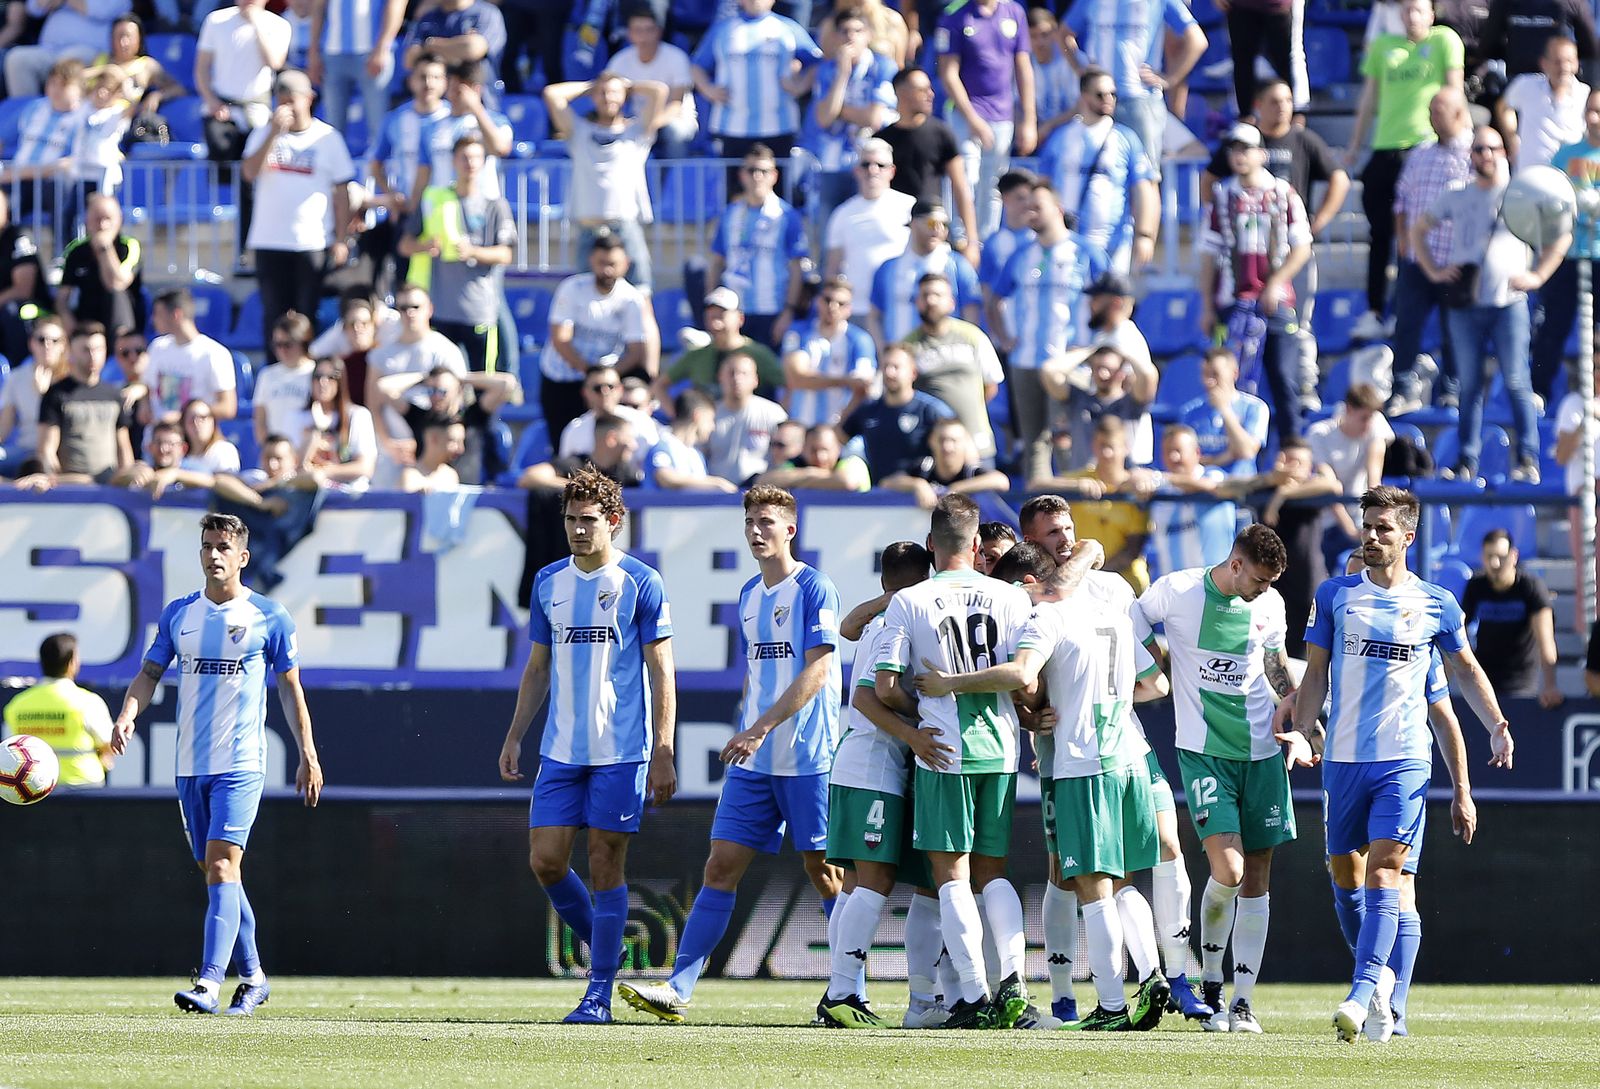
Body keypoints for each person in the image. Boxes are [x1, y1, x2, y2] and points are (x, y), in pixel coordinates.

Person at [911, 511, 1164, 1032]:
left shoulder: (1047, 617)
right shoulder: (1109, 611)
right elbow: (1156, 685)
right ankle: (1155, 973)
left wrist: (950, 683)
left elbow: (1023, 673)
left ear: (1030, 583)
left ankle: (1113, 1006)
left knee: (1089, 886)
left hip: (1081, 763)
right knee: (1120, 883)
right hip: (1130, 757)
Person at [1287, 486, 1513, 1042]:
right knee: (1347, 876)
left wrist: (1498, 725)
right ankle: (1386, 990)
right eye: (1367, 525)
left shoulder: (1437, 602)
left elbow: (1463, 671)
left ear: (1408, 537)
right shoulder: (1336, 595)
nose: (1371, 535)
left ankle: (1366, 994)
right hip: (1342, 759)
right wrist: (1300, 731)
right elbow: (1314, 676)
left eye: (1384, 528)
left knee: (1389, 871)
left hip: (1404, 761)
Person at [619, 485, 842, 1024]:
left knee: (824, 871)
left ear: (791, 529)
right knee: (720, 865)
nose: (757, 530)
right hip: (756, 759)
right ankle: (677, 988)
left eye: (767, 521)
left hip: (808, 754)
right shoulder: (747, 595)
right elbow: (761, 674)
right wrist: (753, 729)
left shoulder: (815, 589)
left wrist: (760, 727)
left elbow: (818, 669)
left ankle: (847, 990)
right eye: (750, 522)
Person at [109, 512, 322, 1016]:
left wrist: (307, 754)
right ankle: (254, 977)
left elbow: (291, 689)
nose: (213, 555)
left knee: (224, 865)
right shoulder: (180, 614)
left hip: (241, 762)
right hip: (188, 766)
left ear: (243, 557)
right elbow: (148, 673)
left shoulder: (270, 616)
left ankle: (208, 982)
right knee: (216, 872)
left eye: (223, 547)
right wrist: (127, 714)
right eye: (207, 546)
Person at [498, 464, 676, 1022]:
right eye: (571, 519)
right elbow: (537, 668)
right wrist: (515, 734)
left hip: (621, 751)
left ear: (614, 522)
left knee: (605, 866)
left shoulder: (641, 583)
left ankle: (598, 992)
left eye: (589, 520)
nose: (578, 529)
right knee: (546, 862)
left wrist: (665, 748)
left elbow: (662, 672)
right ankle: (609, 943)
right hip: (561, 750)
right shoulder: (549, 581)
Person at [863, 495, 1036, 1029]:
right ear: (979, 543)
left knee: (950, 876)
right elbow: (1027, 681)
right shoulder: (1010, 598)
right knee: (993, 873)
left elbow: (887, 687)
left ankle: (972, 998)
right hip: (1002, 748)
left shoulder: (911, 600)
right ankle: (1014, 985)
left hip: (943, 749)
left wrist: (917, 727)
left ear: (933, 545)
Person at [1135, 525, 1295, 1034]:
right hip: (1204, 754)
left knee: (1259, 874)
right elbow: (1131, 616)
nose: (1265, 589)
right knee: (1228, 871)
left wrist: (1299, 719)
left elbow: (1273, 665)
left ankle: (1243, 1002)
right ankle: (1209, 983)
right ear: (1236, 564)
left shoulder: (1270, 605)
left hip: (1263, 753)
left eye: (1272, 582)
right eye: (1260, 579)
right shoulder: (1177, 591)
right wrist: (1155, 665)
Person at [814, 540, 935, 1029]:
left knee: (856, 886)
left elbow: (845, 629)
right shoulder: (893, 627)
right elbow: (868, 698)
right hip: (873, 763)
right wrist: (920, 718)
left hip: (858, 762)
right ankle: (843, 993)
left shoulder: (880, 621)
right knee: (876, 882)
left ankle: (837, 992)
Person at [1412, 125, 1568, 484]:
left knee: (1516, 381)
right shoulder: (1457, 194)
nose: (1485, 155)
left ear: (1505, 152)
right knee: (1469, 385)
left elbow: (1561, 234)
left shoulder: (1522, 195)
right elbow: (1418, 230)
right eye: (1479, 149)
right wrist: (1435, 270)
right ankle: (1467, 461)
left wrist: (1538, 276)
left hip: (1508, 303)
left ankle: (1527, 458)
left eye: (1492, 148)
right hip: (1466, 304)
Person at [1344, 0, 1465, 340]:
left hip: (1423, 149)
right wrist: (1355, 144)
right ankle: (1374, 309)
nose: (1412, 16)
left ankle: (1411, 310)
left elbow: (1454, 91)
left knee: (1419, 235)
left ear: (1431, 13)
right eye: (1406, 10)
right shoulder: (1384, 47)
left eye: (1418, 9)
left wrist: (1462, 136)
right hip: (1385, 149)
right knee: (1380, 234)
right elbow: (1369, 99)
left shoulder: (1444, 41)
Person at [1201, 122, 1314, 441]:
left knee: (1282, 375)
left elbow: (1302, 247)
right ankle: (1228, 445)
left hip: (1276, 303)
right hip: (1231, 302)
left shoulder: (1283, 192)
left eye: (1245, 148)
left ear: (1261, 154)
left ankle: (1292, 448)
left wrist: (1276, 282)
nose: (1239, 155)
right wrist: (1207, 306)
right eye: (1233, 149)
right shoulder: (1222, 197)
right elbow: (1209, 256)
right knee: (1228, 377)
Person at [993, 179, 1110, 482]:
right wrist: (1005, 339)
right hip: (1025, 360)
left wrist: (1092, 346)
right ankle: (1036, 508)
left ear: (1057, 209)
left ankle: (1072, 504)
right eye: (1027, 207)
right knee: (1033, 441)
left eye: (1037, 207)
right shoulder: (1020, 255)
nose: (1031, 213)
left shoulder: (1085, 252)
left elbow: (1113, 299)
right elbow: (994, 298)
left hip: (1068, 363)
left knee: (1066, 436)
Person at [242, 69, 354, 348]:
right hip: (269, 240)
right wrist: (272, 135)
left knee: (306, 317)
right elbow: (249, 172)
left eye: (292, 99)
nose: (287, 106)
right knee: (273, 316)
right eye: (281, 99)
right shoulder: (262, 134)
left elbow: (342, 193)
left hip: (311, 241)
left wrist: (341, 239)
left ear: (309, 99)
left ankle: (308, 377)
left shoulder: (328, 138)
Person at [1387, 87, 1473, 416]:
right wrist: (1403, 239)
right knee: (1406, 325)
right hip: (1417, 260)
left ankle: (1451, 388)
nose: (1433, 118)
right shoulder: (1420, 153)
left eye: (1440, 111)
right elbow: (1401, 201)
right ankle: (1402, 387)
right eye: (1431, 111)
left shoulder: (1474, 154)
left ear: (1459, 113)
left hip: (1456, 261)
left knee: (1455, 328)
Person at [400, 134, 516, 373]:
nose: (470, 163)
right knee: (442, 381)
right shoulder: (434, 200)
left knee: (481, 379)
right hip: (441, 309)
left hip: (479, 311)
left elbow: (506, 254)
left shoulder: (496, 206)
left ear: (484, 162)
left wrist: (472, 251)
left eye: (475, 157)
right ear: (453, 161)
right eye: (464, 157)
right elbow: (404, 245)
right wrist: (425, 246)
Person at [544, 72, 668, 293]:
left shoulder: (637, 132)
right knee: (583, 294)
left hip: (625, 226)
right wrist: (592, 85)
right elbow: (552, 93)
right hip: (588, 228)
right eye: (602, 93)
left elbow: (659, 91)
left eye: (613, 93)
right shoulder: (578, 131)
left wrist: (626, 86)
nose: (607, 97)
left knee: (641, 290)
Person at [1037, 68, 1159, 275]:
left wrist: (1145, 236)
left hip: (1112, 242)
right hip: (1067, 240)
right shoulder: (1060, 139)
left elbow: (1144, 190)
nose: (1108, 99)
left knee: (1112, 303)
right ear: (1084, 96)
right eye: (1100, 94)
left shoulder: (1126, 139)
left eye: (1113, 94)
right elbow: (1043, 187)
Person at [195, 0, 293, 259]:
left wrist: (256, 23)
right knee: (224, 158)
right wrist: (211, 101)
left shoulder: (278, 24)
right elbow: (202, 68)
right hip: (222, 110)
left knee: (251, 179)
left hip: (256, 112)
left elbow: (275, 61)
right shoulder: (216, 21)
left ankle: (247, 247)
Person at [1062, 0, 1207, 172]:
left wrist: (1171, 79)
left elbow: (1197, 40)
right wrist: (1081, 70)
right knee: (1098, 173)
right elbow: (1064, 34)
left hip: (1140, 100)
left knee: (1144, 173)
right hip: (1098, 99)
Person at [935, 0, 1035, 241]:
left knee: (994, 185)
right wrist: (973, 119)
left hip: (1002, 116)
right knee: (965, 177)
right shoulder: (954, 14)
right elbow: (948, 72)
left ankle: (986, 242)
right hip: (963, 114)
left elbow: (1023, 68)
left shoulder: (1014, 12)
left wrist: (1029, 120)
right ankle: (960, 240)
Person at [539, 234, 653, 443]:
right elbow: (560, 339)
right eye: (602, 263)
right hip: (563, 377)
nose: (607, 270)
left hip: (604, 381)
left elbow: (637, 350)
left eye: (613, 264)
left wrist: (605, 379)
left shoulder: (631, 299)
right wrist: (588, 371)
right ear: (591, 260)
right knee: (564, 441)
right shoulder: (572, 288)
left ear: (625, 264)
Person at [690, 0, 822, 166]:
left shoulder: (787, 28)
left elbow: (817, 62)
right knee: (735, 188)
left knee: (777, 186)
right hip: (731, 125)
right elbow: (696, 66)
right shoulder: (723, 29)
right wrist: (708, 89)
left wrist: (801, 85)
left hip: (779, 124)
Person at [1031, 417, 1154, 591]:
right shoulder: (1082, 478)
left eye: (1111, 446)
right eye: (1101, 445)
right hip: (1083, 583)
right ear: (1093, 446)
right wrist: (1075, 485)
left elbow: (1132, 550)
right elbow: (1035, 485)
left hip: (1126, 585)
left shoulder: (1136, 487)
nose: (1106, 453)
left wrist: (1092, 574)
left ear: (1126, 448)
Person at [797, 5, 897, 220]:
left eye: (857, 30)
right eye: (844, 31)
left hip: (871, 164)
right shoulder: (828, 70)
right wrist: (842, 75)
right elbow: (823, 118)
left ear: (868, 35)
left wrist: (838, 111)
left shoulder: (883, 66)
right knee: (829, 230)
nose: (850, 36)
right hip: (832, 163)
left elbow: (874, 118)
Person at [708, 143, 811, 349]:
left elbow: (796, 268)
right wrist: (711, 307)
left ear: (774, 176)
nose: (757, 176)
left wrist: (788, 311)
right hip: (734, 310)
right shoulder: (729, 214)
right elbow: (717, 261)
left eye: (763, 171)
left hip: (772, 310)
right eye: (751, 170)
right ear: (741, 175)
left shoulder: (787, 216)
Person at [1534, 87, 1600, 402]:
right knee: (1554, 326)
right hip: (1568, 255)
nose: (1596, 118)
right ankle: (1539, 391)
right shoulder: (1566, 155)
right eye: (1592, 110)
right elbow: (1550, 201)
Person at [873, 68, 980, 260]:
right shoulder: (883, 140)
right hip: (894, 227)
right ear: (901, 93)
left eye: (929, 89)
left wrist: (972, 240)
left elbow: (960, 187)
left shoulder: (941, 133)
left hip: (931, 225)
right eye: (921, 90)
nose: (930, 95)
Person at [366, 283, 466, 484]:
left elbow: (455, 402)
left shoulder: (447, 351)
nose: (409, 313)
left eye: (415, 307)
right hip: (391, 449)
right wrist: (389, 444)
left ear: (429, 309)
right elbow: (373, 403)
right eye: (403, 308)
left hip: (433, 447)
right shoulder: (381, 354)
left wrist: (427, 443)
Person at [901, 273, 1004, 468]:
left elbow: (991, 385)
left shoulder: (973, 336)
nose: (931, 301)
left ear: (951, 302)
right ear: (917, 302)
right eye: (925, 295)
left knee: (980, 496)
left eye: (937, 295)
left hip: (976, 439)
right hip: (934, 448)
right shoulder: (908, 345)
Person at [367, 54, 451, 292]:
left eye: (436, 77)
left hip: (445, 210)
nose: (429, 83)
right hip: (409, 211)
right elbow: (375, 164)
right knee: (405, 280)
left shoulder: (453, 118)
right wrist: (392, 196)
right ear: (411, 81)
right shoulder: (396, 119)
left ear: (445, 82)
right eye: (423, 77)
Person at [1462, 529, 1564, 706]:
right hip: (1483, 684)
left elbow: (1545, 640)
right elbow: (1458, 633)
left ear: (1513, 556)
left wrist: (1550, 686)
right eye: (1489, 556)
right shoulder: (1476, 587)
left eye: (1501, 556)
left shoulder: (1530, 587)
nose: (1495, 563)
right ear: (1482, 557)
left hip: (1521, 684)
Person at [2, 632, 114, 789]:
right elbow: (109, 744)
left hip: (34, 788)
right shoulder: (87, 702)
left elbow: (10, 748)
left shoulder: (17, 704)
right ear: (71, 663)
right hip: (83, 788)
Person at [822, 137, 917, 320]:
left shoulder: (909, 207)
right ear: (857, 171)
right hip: (858, 310)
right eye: (866, 164)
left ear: (892, 171)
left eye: (880, 165)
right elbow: (832, 269)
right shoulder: (842, 214)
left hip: (901, 308)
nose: (873, 170)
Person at [869, 199, 982, 348]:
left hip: (944, 358)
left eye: (944, 224)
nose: (938, 229)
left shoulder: (958, 266)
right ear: (914, 224)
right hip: (900, 359)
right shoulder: (888, 269)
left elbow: (971, 317)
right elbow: (874, 316)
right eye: (931, 223)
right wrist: (883, 351)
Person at [1307, 384, 1394, 574]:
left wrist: (1370, 524)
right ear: (1348, 410)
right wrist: (1351, 530)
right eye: (1363, 418)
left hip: (1362, 520)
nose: (1368, 424)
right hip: (1328, 524)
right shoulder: (1319, 434)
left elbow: (1374, 478)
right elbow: (1330, 487)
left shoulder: (1375, 422)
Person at [34, 322, 132, 485]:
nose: (93, 356)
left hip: (109, 486)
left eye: (98, 349)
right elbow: (47, 450)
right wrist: (58, 484)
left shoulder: (114, 394)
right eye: (86, 350)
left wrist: (127, 480)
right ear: (71, 351)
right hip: (73, 486)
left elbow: (123, 447)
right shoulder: (56, 394)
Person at [841, 342, 954, 482]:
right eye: (885, 366)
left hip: (920, 497)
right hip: (879, 497)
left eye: (896, 367)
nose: (889, 372)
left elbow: (961, 447)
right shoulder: (868, 410)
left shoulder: (931, 410)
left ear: (913, 373)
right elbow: (837, 438)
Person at [1044, 344, 1158, 474]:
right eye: (1098, 368)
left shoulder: (1132, 403)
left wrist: (1124, 354)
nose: (1103, 374)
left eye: (1110, 369)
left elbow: (1148, 374)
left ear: (1122, 372)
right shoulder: (1078, 400)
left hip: (1121, 483)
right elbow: (1049, 371)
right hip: (1083, 482)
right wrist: (1088, 352)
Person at [656, 287, 784, 403]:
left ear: (740, 319)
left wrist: (777, 417)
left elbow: (788, 384)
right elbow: (659, 386)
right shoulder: (696, 354)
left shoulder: (758, 354)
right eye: (711, 317)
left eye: (721, 316)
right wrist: (677, 416)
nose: (716, 324)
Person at [2, 60, 88, 228]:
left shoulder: (86, 118)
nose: (56, 89)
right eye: (52, 83)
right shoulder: (34, 108)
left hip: (52, 185)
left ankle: (62, 251)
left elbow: (71, 162)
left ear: (79, 90)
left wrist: (20, 173)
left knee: (59, 188)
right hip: (18, 181)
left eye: (64, 85)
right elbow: (3, 139)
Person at [414, 60, 514, 204]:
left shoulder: (496, 121)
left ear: (476, 90)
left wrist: (476, 109)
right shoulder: (431, 127)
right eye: (452, 88)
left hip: (483, 205)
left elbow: (500, 148)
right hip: (444, 208)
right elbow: (423, 172)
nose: (454, 95)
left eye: (460, 90)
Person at [780, 276, 876, 427]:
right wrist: (844, 381)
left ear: (849, 309)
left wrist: (841, 425)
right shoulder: (797, 332)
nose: (833, 307)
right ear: (818, 301)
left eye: (841, 303)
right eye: (827, 300)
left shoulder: (860, 340)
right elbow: (796, 378)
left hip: (837, 429)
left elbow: (862, 386)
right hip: (799, 425)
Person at [606, 7, 698, 159]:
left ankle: (672, 182)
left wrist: (650, 126)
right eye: (638, 30)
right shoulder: (619, 61)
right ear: (629, 34)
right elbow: (611, 96)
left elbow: (675, 104)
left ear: (659, 32)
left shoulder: (676, 58)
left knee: (675, 132)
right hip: (636, 121)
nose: (644, 36)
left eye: (649, 30)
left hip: (676, 119)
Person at [1146, 424, 1236, 578]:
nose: (1174, 457)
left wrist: (1163, 478)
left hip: (1214, 588)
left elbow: (1212, 487)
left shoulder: (1214, 475)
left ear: (1197, 452)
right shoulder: (1160, 491)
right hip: (1173, 591)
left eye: (1178, 451)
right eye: (1168, 452)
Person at [306, 0, 403, 141]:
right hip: (332, 52)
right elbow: (318, 7)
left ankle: (377, 162)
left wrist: (382, 47)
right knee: (332, 125)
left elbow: (396, 5)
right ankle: (333, 161)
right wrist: (313, 50)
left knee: (378, 122)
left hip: (372, 52)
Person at [1495, 33, 1588, 173]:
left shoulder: (1586, 94)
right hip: (1528, 181)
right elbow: (1503, 107)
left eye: (1569, 61)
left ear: (1576, 63)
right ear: (1544, 64)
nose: (1564, 67)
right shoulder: (1526, 85)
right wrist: (1512, 139)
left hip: (1569, 181)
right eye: (1557, 61)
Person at [54, 193, 142, 339]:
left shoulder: (129, 246)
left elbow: (116, 283)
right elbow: (62, 297)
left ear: (119, 220)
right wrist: (67, 318)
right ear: (87, 221)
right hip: (87, 318)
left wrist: (105, 248)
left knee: (115, 295)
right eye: (97, 219)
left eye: (107, 219)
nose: (102, 225)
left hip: (123, 317)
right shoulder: (76, 251)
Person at [143, 288, 238, 423]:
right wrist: (144, 406)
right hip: (157, 436)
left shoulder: (214, 353)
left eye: (158, 313)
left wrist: (186, 416)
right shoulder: (157, 347)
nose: (153, 320)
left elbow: (228, 407)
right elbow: (147, 388)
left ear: (176, 315)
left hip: (194, 436)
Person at [3, 0, 127, 98]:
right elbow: (34, 8)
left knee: (65, 65)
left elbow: (101, 10)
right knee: (17, 59)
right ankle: (27, 116)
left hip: (89, 51)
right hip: (50, 49)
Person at [880, 417, 1009, 509]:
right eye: (941, 440)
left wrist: (955, 489)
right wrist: (918, 485)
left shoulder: (970, 471)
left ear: (965, 443)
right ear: (931, 441)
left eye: (953, 440)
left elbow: (1001, 481)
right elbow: (886, 483)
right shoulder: (924, 468)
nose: (947, 447)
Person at [1179, 346, 1270, 477]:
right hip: (1200, 487)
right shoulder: (1190, 411)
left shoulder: (1255, 408)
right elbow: (1186, 459)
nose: (1209, 381)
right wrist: (1227, 455)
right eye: (1205, 374)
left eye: (1215, 374)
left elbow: (1246, 451)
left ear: (1234, 374)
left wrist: (1224, 409)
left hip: (1238, 486)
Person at [705, 352, 789, 486]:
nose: (736, 379)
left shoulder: (773, 413)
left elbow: (786, 454)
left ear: (755, 380)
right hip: (718, 494)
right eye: (731, 373)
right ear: (720, 377)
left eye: (743, 373)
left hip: (760, 493)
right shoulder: (709, 415)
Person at [0, 317, 68, 478]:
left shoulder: (71, 379)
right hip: (25, 450)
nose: (47, 345)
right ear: (31, 343)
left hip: (64, 452)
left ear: (63, 345)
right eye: (41, 339)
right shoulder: (17, 378)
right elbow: (4, 426)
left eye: (55, 340)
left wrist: (45, 395)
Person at [296, 357, 377, 489]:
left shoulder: (358, 415)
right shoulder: (299, 417)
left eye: (331, 377)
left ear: (341, 381)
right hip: (310, 490)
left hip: (350, 492)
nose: (323, 382)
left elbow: (365, 467)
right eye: (318, 376)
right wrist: (316, 431)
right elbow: (296, 466)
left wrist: (325, 472)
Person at [557, 361, 661, 461]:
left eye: (610, 386)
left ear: (620, 389)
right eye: (597, 388)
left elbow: (653, 464)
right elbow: (567, 471)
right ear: (585, 393)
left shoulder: (641, 422)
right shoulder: (575, 430)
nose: (605, 392)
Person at [519, 412, 645, 491]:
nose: (634, 446)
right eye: (629, 439)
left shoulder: (629, 475)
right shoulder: (574, 465)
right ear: (611, 439)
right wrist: (582, 488)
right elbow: (530, 477)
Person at [402, 0, 506, 94]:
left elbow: (473, 49)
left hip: (477, 98)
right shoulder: (428, 17)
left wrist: (430, 44)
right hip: (437, 104)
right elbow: (410, 59)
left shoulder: (486, 13)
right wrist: (458, 47)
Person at [644, 388, 737, 492]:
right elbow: (665, 478)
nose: (713, 427)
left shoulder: (696, 455)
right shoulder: (662, 447)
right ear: (697, 416)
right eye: (710, 420)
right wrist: (716, 483)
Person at [0, 187, 52, 369]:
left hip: (32, 308)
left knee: (11, 311)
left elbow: (23, 289)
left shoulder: (19, 237)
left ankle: (20, 369)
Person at [1481, 0, 1597, 81]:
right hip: (1559, 79)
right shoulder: (1573, 2)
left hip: (1519, 80)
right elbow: (1591, 47)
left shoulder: (1504, 3)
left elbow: (1487, 46)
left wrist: (1514, 52)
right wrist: (1568, 59)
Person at [251, 311, 316, 448]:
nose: (282, 350)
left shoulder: (317, 373)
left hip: (305, 451)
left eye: (288, 344)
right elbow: (260, 420)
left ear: (303, 343)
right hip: (276, 454)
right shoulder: (267, 375)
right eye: (277, 345)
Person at [758, 422, 871, 492]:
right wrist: (810, 473)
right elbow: (764, 481)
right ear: (803, 449)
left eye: (825, 450)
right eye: (813, 450)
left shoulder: (853, 462)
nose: (820, 457)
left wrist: (801, 479)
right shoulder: (795, 464)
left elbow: (847, 482)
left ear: (837, 448)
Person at [1028, 8, 1075, 148]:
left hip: (1069, 133)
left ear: (1055, 33)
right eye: (1033, 36)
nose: (1040, 42)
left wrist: (1049, 126)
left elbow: (1080, 106)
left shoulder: (1073, 61)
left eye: (1045, 34)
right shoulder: (1023, 63)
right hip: (1035, 134)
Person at [397, 412, 465, 492]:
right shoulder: (410, 476)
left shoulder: (451, 475)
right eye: (454, 441)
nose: (461, 449)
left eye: (462, 441)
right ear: (434, 439)